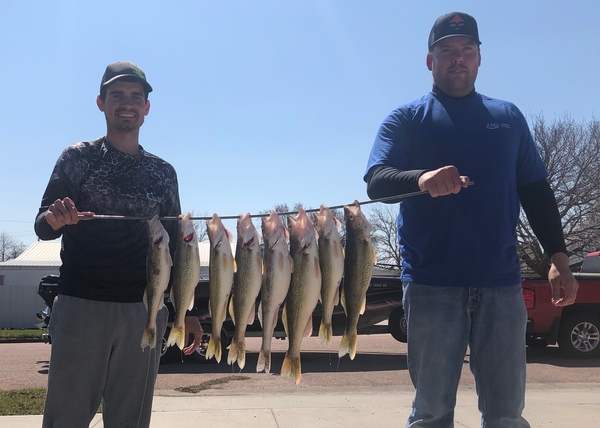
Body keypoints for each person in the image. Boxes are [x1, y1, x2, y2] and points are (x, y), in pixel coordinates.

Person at [364, 12, 579, 428]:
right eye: (447, 51)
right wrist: (422, 179)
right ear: (430, 61)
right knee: (431, 413)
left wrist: (559, 257)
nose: (457, 59)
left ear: (480, 58)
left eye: (467, 50)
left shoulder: (509, 118)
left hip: (501, 285)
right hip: (430, 286)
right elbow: (377, 182)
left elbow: (536, 191)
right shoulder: (405, 119)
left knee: (506, 415)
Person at [34, 61, 204, 428]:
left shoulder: (164, 172)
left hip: (144, 312)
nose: (127, 103)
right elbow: (41, 226)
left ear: (146, 107)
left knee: (130, 420)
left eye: (135, 96)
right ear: (101, 102)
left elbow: (176, 247)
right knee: (65, 418)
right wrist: (55, 217)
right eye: (117, 95)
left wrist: (183, 310)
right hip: (81, 307)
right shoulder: (77, 158)